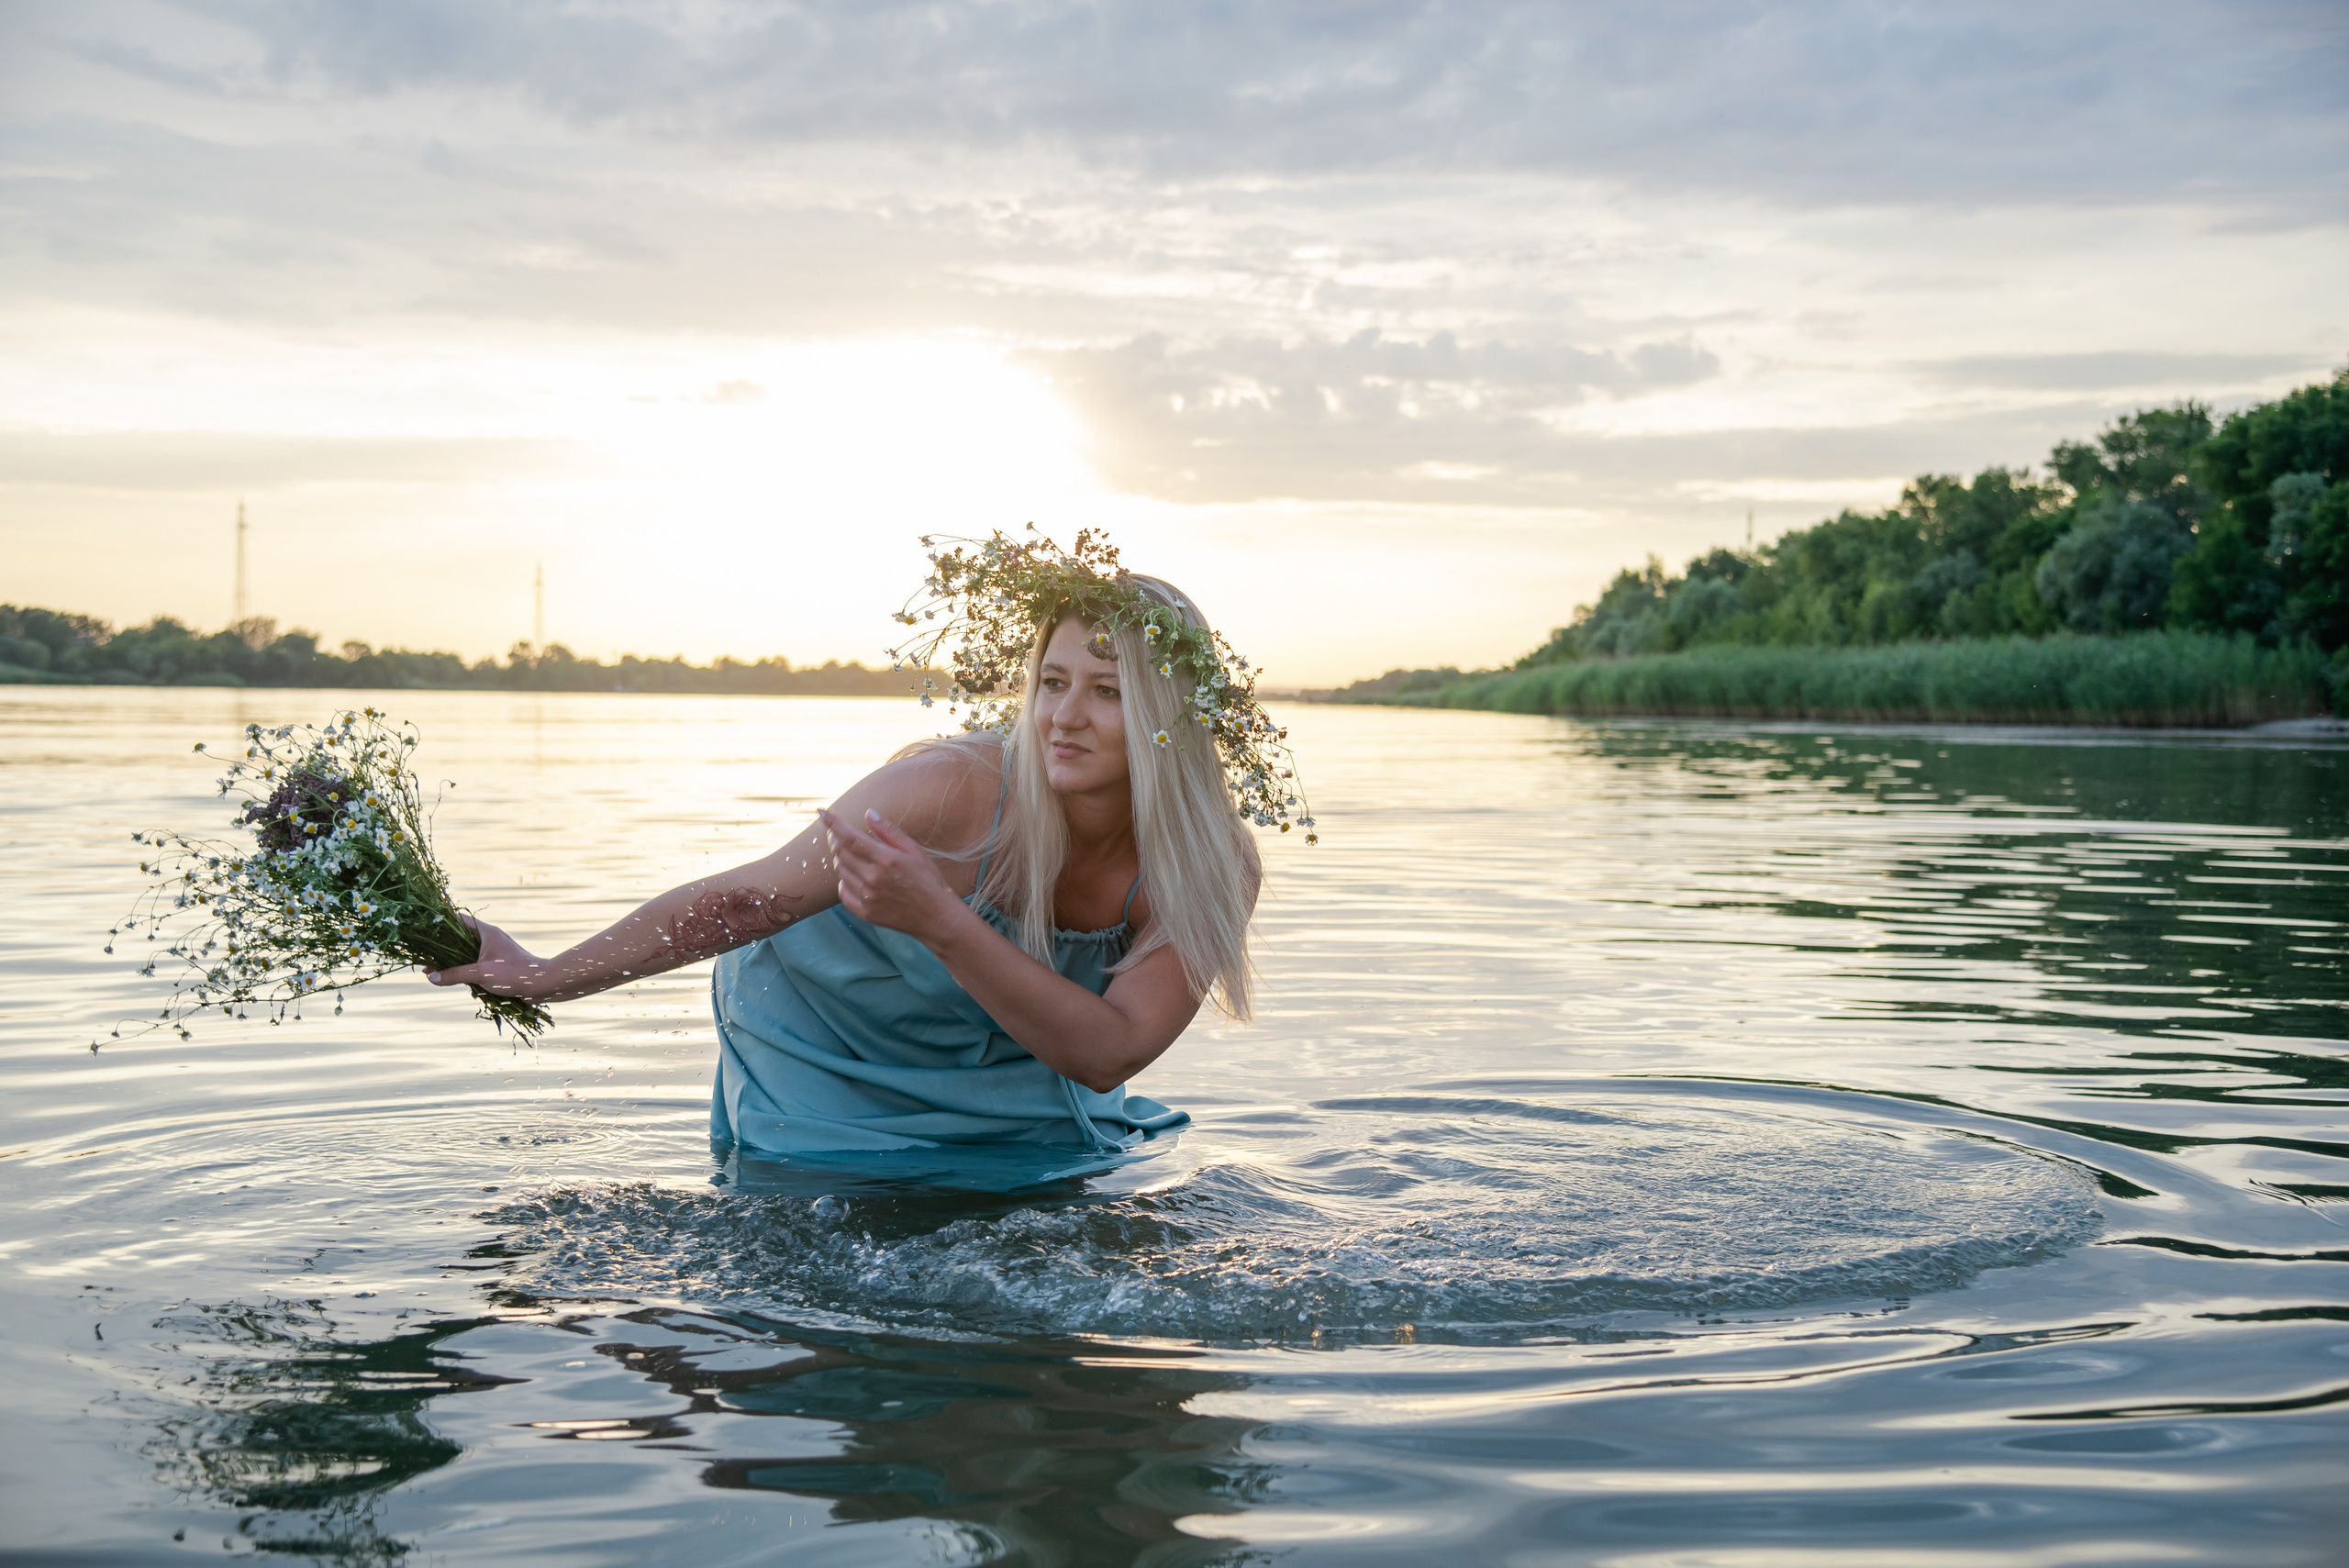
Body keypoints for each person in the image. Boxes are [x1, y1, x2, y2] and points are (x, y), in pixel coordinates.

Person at [427, 531, 1310, 1173]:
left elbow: (1112, 1051)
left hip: (1005, 1057)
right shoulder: (948, 790)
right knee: (823, 1228)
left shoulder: (1204, 862)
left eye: (1107, 692)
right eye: (1050, 681)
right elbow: (748, 902)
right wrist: (547, 976)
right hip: (829, 1032)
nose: (1063, 716)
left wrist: (939, 919)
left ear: (1166, 718)